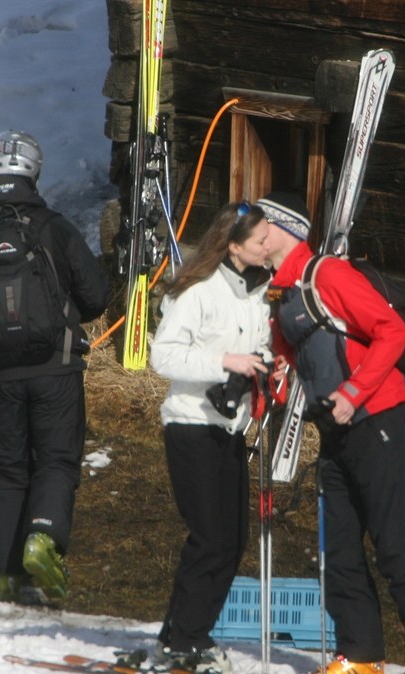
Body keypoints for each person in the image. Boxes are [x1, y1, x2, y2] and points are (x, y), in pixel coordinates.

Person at [258, 192, 405, 674]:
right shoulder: (282, 291)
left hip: (380, 416)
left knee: (395, 542)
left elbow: (390, 331)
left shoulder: (327, 274)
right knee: (339, 549)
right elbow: (294, 360)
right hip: (335, 428)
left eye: (257, 224)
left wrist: (352, 393)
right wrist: (278, 382)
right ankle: (362, 655)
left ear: (283, 230)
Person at [0, 130, 110, 603]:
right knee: (56, 460)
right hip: (56, 369)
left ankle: (2, 573)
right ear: (35, 173)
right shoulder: (53, 226)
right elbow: (96, 296)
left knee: (8, 468)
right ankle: (43, 537)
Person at [148, 202, 274, 673]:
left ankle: (178, 635)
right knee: (209, 538)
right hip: (191, 425)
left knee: (232, 539)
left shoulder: (256, 295)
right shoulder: (198, 291)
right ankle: (187, 639)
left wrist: (264, 365)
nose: (268, 246)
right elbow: (163, 357)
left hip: (230, 430)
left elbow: (255, 348)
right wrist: (225, 362)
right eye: (261, 239)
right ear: (234, 244)